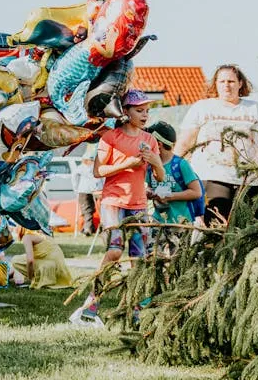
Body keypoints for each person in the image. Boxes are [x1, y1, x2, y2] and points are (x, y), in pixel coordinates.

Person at [77, 90, 165, 322]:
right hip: (113, 202)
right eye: (139, 110)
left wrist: (156, 162)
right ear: (125, 112)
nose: (145, 115)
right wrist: (128, 163)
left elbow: (160, 177)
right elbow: (98, 171)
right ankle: (92, 301)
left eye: (147, 111)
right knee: (115, 251)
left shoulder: (150, 140)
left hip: (138, 205)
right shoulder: (110, 138)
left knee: (139, 258)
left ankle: (136, 308)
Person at [174, 65, 258, 224]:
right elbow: (185, 142)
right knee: (214, 228)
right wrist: (170, 168)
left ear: (240, 83)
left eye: (231, 81)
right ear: (215, 83)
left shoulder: (255, 109)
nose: (226, 85)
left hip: (249, 179)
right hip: (212, 175)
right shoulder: (202, 107)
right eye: (222, 81)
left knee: (243, 230)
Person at [146, 121, 205, 254]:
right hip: (158, 219)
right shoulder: (150, 166)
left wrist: (170, 196)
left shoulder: (180, 164)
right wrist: (149, 192)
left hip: (181, 221)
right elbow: (147, 186)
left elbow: (196, 192)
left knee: (178, 258)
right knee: (152, 255)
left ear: (158, 145)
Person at [72, 144, 103, 236]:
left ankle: (91, 228)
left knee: (93, 210)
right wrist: (76, 189)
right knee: (87, 210)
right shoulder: (81, 168)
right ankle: (88, 228)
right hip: (85, 191)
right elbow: (74, 178)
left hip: (94, 190)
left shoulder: (91, 166)